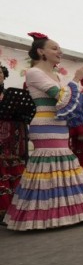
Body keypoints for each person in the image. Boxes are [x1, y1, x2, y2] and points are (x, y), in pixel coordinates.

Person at [3, 32, 83, 230]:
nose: (60, 52)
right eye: (54, 48)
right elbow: (60, 97)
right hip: (44, 124)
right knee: (47, 168)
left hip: (59, 125)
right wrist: (76, 78)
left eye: (59, 48)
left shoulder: (55, 75)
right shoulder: (34, 73)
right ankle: (44, 216)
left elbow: (69, 101)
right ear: (41, 51)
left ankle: (67, 214)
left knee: (62, 166)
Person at [0, 65, 36, 220]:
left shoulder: (9, 94)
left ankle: (18, 208)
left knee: (16, 167)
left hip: (15, 136)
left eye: (0, 72)